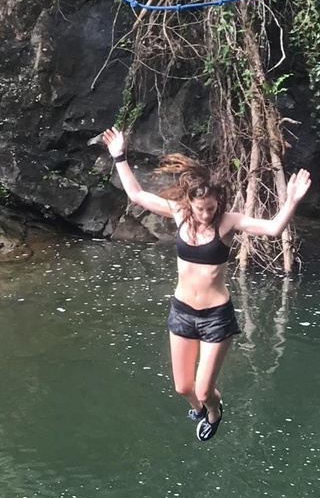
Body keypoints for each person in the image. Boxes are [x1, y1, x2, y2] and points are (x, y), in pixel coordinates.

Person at [101, 127, 311, 441]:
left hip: (216, 318)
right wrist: (119, 156)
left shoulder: (229, 222)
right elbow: (137, 195)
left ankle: (213, 411)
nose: (204, 214)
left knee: (203, 388)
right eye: (200, 208)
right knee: (183, 387)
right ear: (190, 203)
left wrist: (291, 201)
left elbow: (272, 228)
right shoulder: (179, 213)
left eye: (210, 208)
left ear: (218, 203)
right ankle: (199, 407)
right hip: (182, 312)